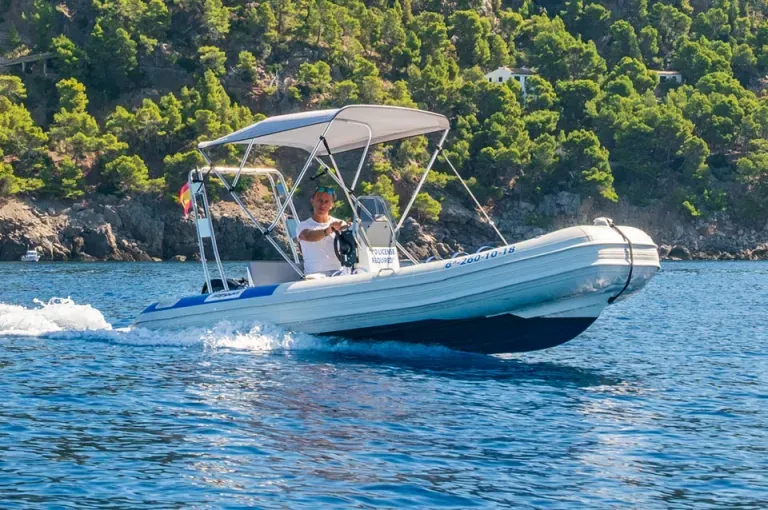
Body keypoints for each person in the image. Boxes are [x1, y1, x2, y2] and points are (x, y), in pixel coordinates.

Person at [297, 186, 347, 276]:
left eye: (326, 201)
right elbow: (308, 236)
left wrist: (351, 228)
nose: (323, 205)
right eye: (319, 200)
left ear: (332, 205)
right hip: (314, 275)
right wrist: (329, 229)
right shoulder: (302, 225)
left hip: (338, 273)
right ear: (312, 201)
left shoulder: (340, 223)